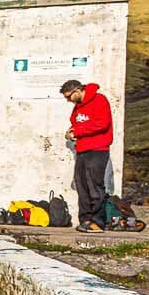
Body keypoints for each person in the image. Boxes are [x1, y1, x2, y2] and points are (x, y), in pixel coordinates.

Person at [61, 79, 113, 233]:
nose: (68, 100)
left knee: (94, 186)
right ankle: (85, 220)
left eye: (69, 96)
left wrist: (77, 131)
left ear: (77, 91)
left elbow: (102, 123)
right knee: (82, 186)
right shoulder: (77, 107)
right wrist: (71, 132)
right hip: (82, 149)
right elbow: (76, 122)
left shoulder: (99, 100)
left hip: (97, 149)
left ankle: (98, 222)